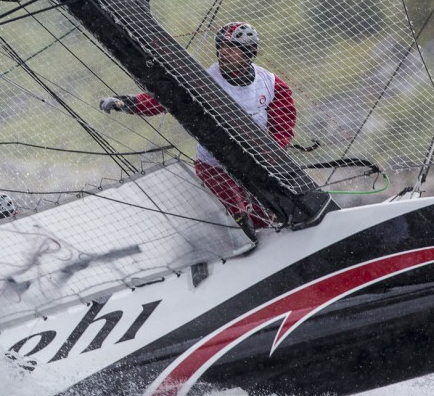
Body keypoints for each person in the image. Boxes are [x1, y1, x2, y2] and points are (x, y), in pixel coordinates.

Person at [100, 22, 296, 242]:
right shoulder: (205, 81)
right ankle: (237, 240)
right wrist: (127, 103)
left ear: (248, 52)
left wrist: (273, 159)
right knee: (241, 217)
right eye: (221, 46)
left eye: (231, 48)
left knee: (268, 218)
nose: (224, 52)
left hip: (255, 165)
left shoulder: (271, 85)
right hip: (213, 165)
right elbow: (164, 98)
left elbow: (282, 128)